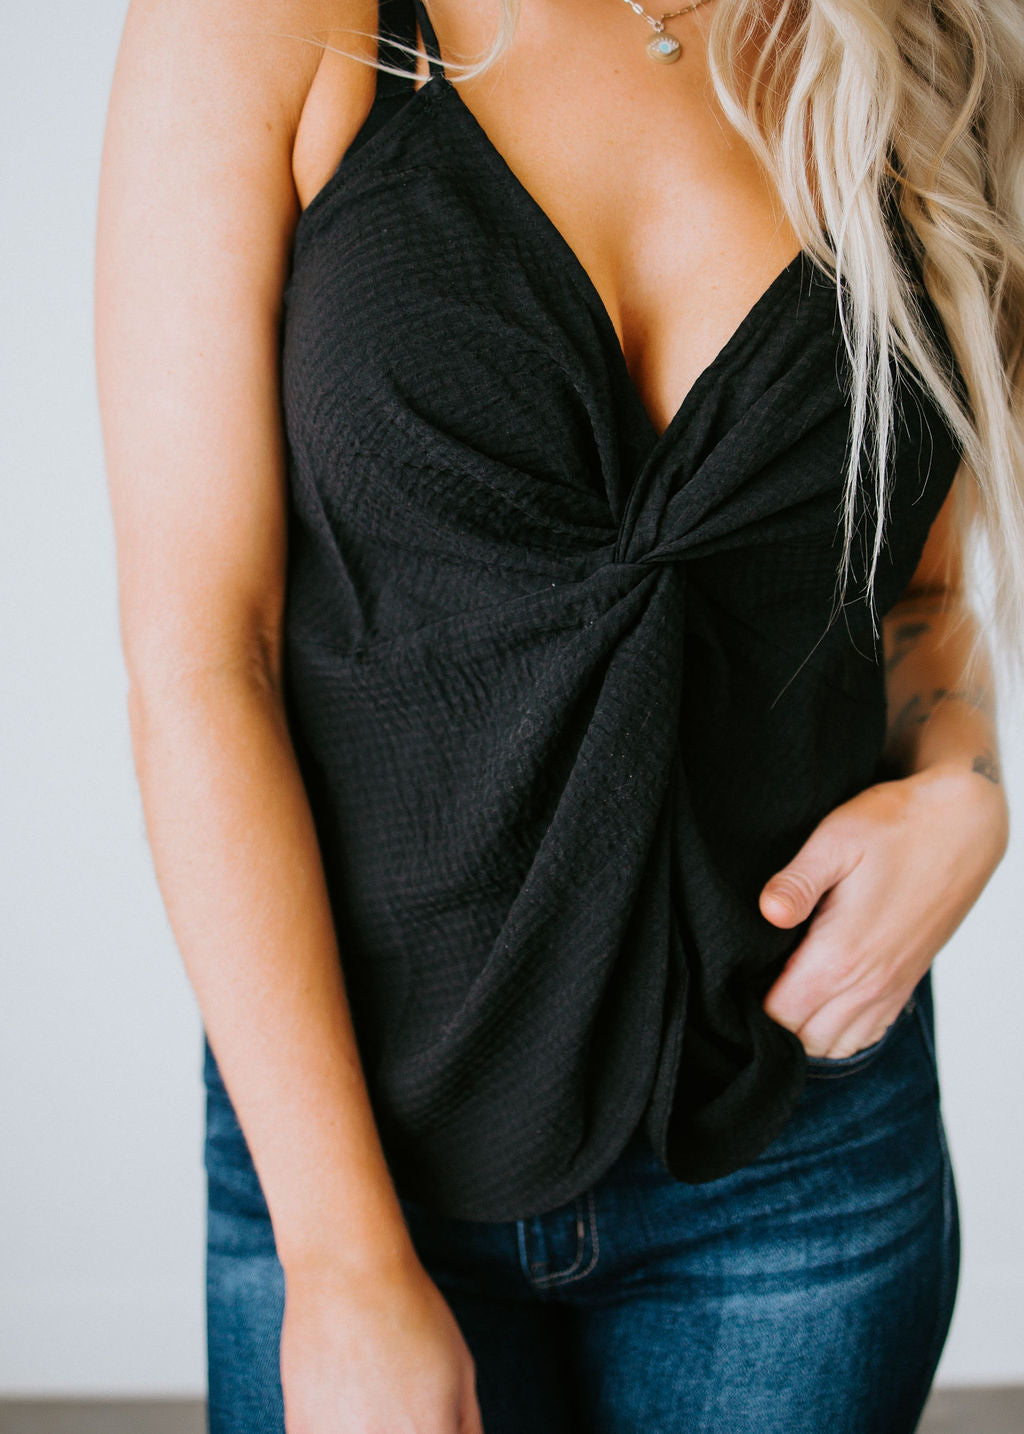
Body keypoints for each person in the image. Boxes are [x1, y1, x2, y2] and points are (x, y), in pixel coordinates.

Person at [94, 0, 1022, 1428]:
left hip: (794, 1133)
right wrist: (341, 1261)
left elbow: (918, 590)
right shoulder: (266, 28)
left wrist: (965, 781)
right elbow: (211, 657)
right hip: (362, 1144)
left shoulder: (924, 50)